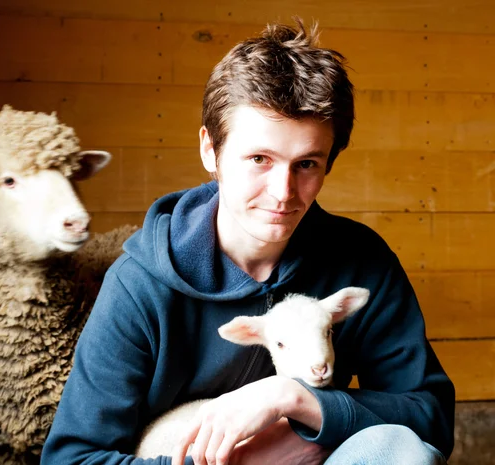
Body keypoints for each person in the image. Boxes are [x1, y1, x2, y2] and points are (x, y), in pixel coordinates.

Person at [41, 20, 454, 465]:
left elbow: (430, 417)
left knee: (398, 450)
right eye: (260, 159)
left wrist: (295, 401)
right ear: (209, 150)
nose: (283, 192)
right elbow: (70, 457)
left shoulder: (361, 261)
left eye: (307, 164)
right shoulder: (139, 283)